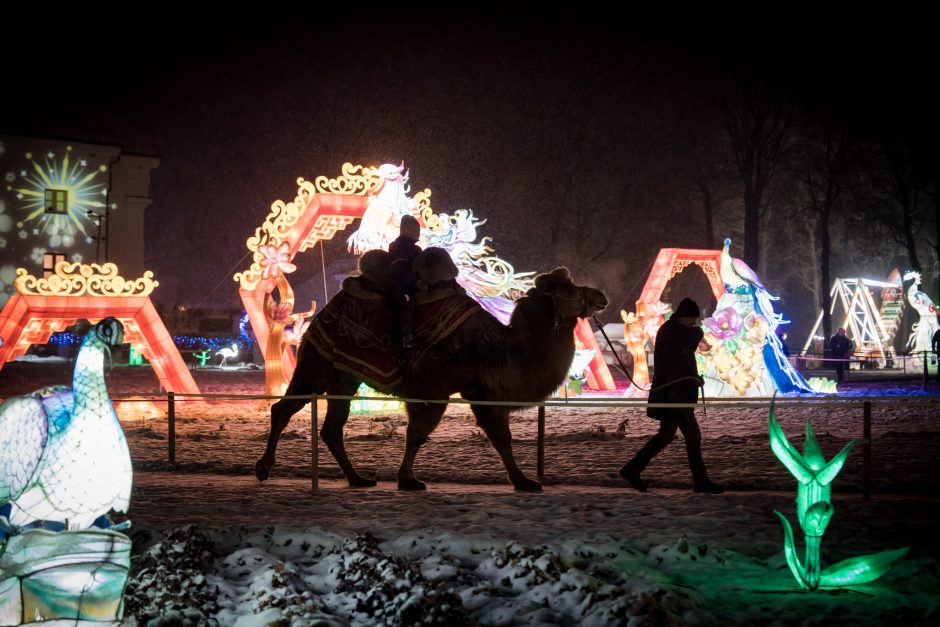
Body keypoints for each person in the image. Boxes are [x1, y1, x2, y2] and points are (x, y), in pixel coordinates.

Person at [619, 297, 724, 494]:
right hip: (674, 394)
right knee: (692, 435)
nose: (694, 323)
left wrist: (693, 378)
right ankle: (700, 480)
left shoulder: (672, 330)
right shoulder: (673, 332)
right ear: (684, 317)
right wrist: (696, 333)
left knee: (666, 435)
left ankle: (632, 469)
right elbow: (682, 354)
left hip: (674, 392)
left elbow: (681, 361)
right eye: (692, 319)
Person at [388, 215, 422, 350]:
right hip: (402, 285)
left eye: (418, 230)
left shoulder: (403, 246)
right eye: (415, 230)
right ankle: (406, 336)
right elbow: (400, 269)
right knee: (406, 305)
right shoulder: (402, 247)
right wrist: (416, 282)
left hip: (405, 282)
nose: (418, 233)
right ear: (405, 230)